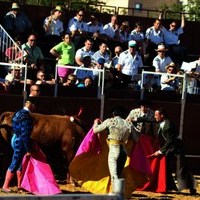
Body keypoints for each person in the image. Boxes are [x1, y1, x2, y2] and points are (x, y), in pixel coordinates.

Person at [150, 107, 197, 195]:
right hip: (170, 148)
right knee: (165, 165)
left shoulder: (168, 125)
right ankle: (168, 186)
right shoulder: (161, 121)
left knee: (181, 168)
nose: (155, 117)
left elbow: (170, 141)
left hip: (177, 148)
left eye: (156, 115)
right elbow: (149, 119)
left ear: (162, 115)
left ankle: (192, 188)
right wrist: (136, 119)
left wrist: (160, 151)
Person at [93, 106, 133, 193]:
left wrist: (95, 122)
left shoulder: (110, 121)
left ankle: (116, 194)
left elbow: (95, 130)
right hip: (123, 152)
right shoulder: (128, 124)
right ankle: (120, 193)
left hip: (114, 151)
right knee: (119, 173)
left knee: (114, 174)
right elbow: (136, 137)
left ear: (114, 114)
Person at [1, 98, 36, 193]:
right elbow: (25, 134)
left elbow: (14, 125)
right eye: (34, 105)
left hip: (16, 138)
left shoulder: (17, 113)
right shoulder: (26, 116)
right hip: (21, 141)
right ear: (30, 104)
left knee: (19, 163)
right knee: (16, 162)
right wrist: (28, 149)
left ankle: (20, 185)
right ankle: (5, 186)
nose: (34, 107)